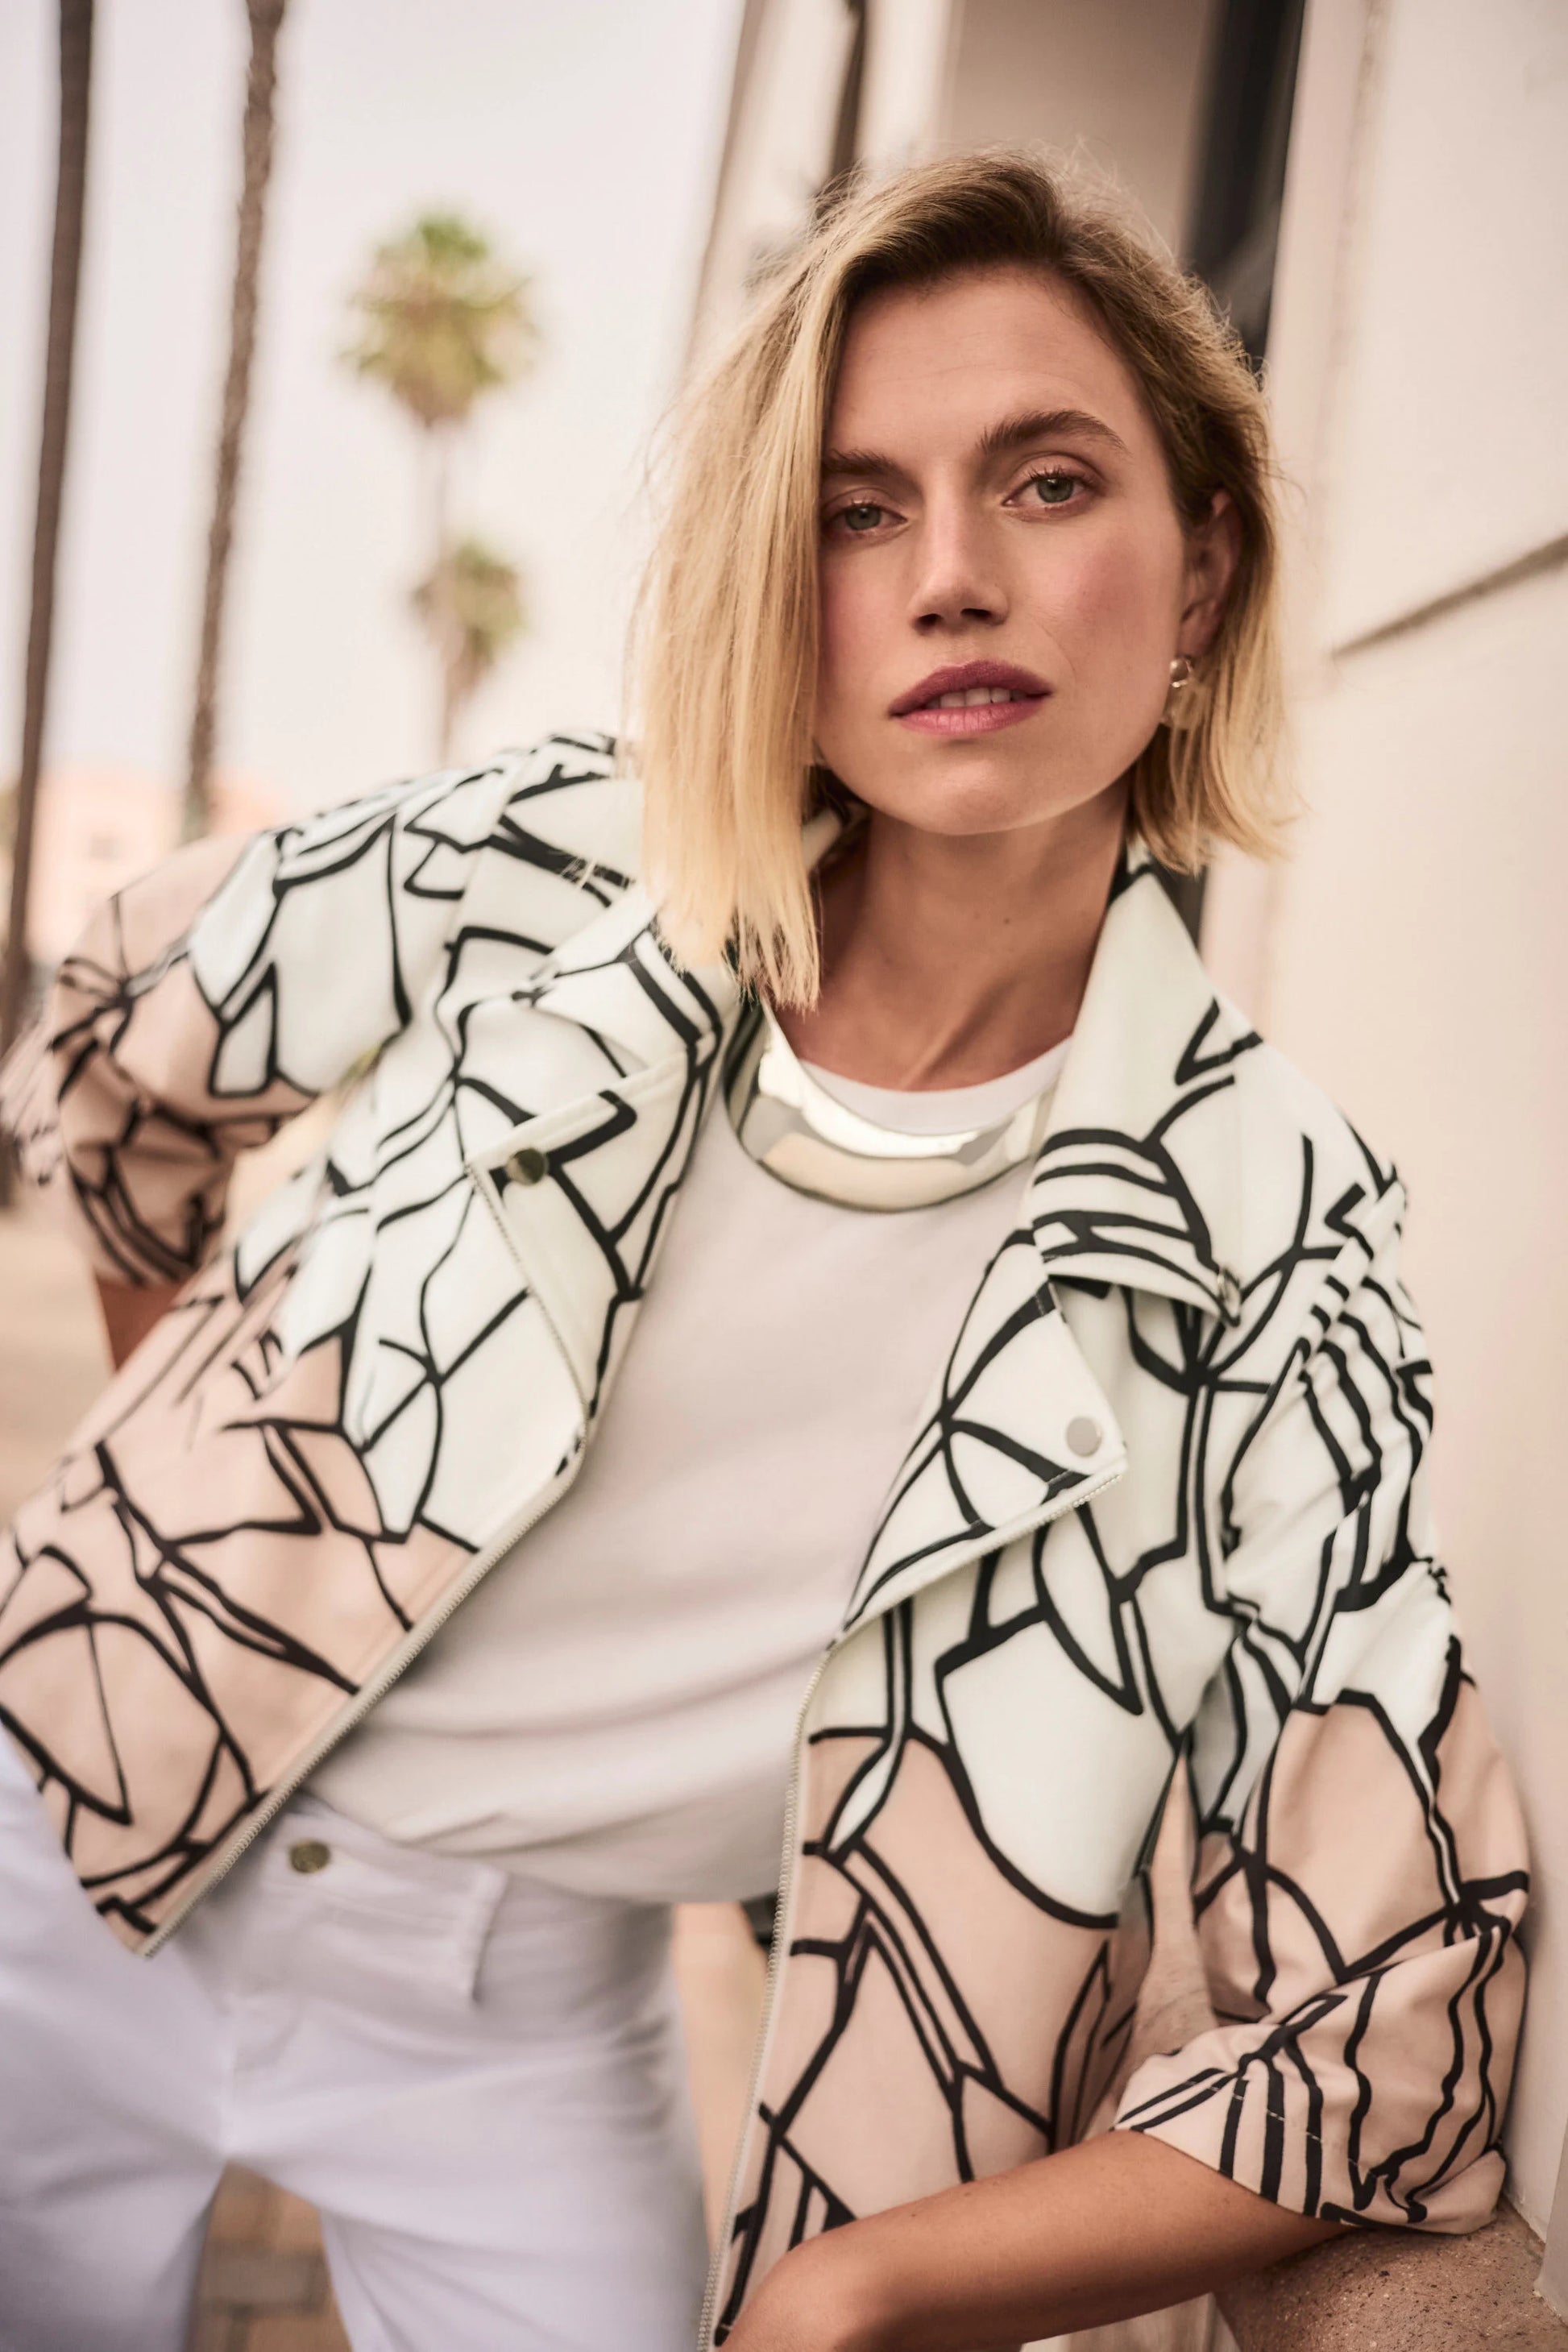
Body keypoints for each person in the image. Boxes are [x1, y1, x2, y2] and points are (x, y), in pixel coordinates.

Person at [0, 152, 1527, 2352]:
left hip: (519, 2028)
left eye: (1048, 481)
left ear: (1200, 569)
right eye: (856, 510)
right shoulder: (561, 857)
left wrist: (852, 2288)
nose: (953, 581)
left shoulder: (1266, 1238)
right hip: (57, 1831)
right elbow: (119, 1042)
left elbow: (1399, 2015)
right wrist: (231, 1523)